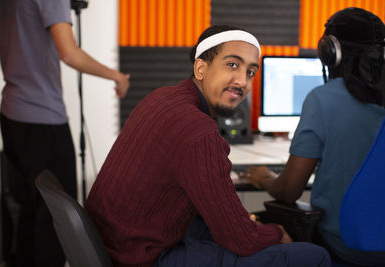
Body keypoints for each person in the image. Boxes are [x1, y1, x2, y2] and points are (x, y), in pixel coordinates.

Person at [85, 24, 330, 267]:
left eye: (250, 72)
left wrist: (242, 220)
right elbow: (242, 240)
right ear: (200, 68)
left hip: (116, 245)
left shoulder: (160, 97)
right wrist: (276, 233)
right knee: (313, 256)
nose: (242, 81)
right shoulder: (199, 130)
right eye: (232, 65)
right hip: (145, 257)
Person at [241, 7, 385, 266]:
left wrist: (264, 178)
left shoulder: (323, 99)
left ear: (329, 52)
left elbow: (288, 192)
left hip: (344, 248)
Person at [0, 0, 130, 266]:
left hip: (11, 113)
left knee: (30, 209)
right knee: (56, 217)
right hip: (42, 117)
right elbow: (69, 53)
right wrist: (116, 76)